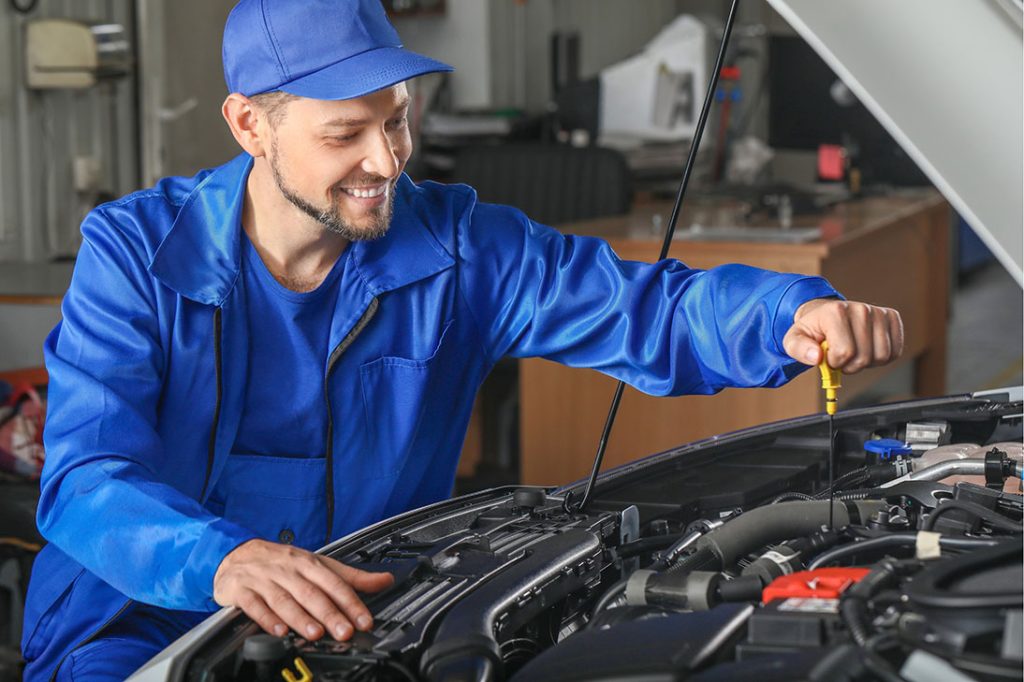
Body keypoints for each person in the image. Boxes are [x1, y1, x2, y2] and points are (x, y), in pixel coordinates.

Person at [20, 1, 904, 679]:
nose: (387, 158)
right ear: (250, 125)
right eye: (345, 133)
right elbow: (88, 480)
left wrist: (785, 315)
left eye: (396, 118)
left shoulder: (458, 245)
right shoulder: (134, 254)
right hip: (131, 619)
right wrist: (222, 563)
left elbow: (643, 307)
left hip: (367, 616)